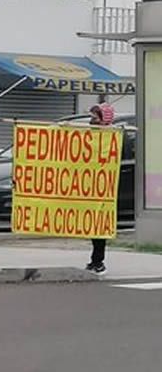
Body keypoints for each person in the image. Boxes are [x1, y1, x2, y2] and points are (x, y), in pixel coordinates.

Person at [87, 104, 113, 274]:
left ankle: (98, 261)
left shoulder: (111, 137)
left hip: (103, 188)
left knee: (99, 226)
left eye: (95, 118)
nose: (91, 121)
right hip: (90, 185)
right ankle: (95, 260)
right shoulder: (91, 135)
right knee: (91, 225)